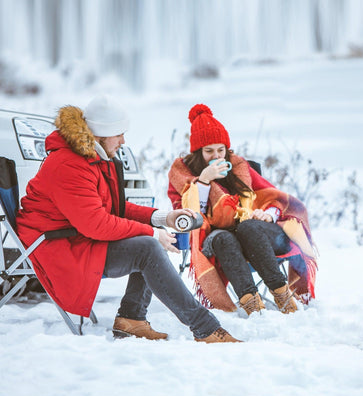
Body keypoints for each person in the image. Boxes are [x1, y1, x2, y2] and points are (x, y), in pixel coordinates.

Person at [16, 95, 240, 343]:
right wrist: (151, 232)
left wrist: (162, 218)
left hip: (75, 237)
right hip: (57, 246)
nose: (123, 141)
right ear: (100, 134)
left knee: (147, 246)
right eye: (119, 134)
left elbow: (112, 207)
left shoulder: (88, 158)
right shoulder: (69, 165)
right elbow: (97, 224)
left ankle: (132, 319)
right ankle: (206, 328)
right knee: (147, 248)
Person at [168, 104, 317, 316]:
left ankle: (284, 297)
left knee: (248, 227)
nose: (216, 156)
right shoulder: (182, 175)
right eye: (209, 151)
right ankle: (253, 307)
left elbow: (274, 197)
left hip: (258, 233)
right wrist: (203, 182)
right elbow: (191, 216)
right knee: (224, 239)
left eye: (221, 150)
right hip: (216, 237)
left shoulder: (239, 167)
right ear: (198, 152)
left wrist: (268, 214)